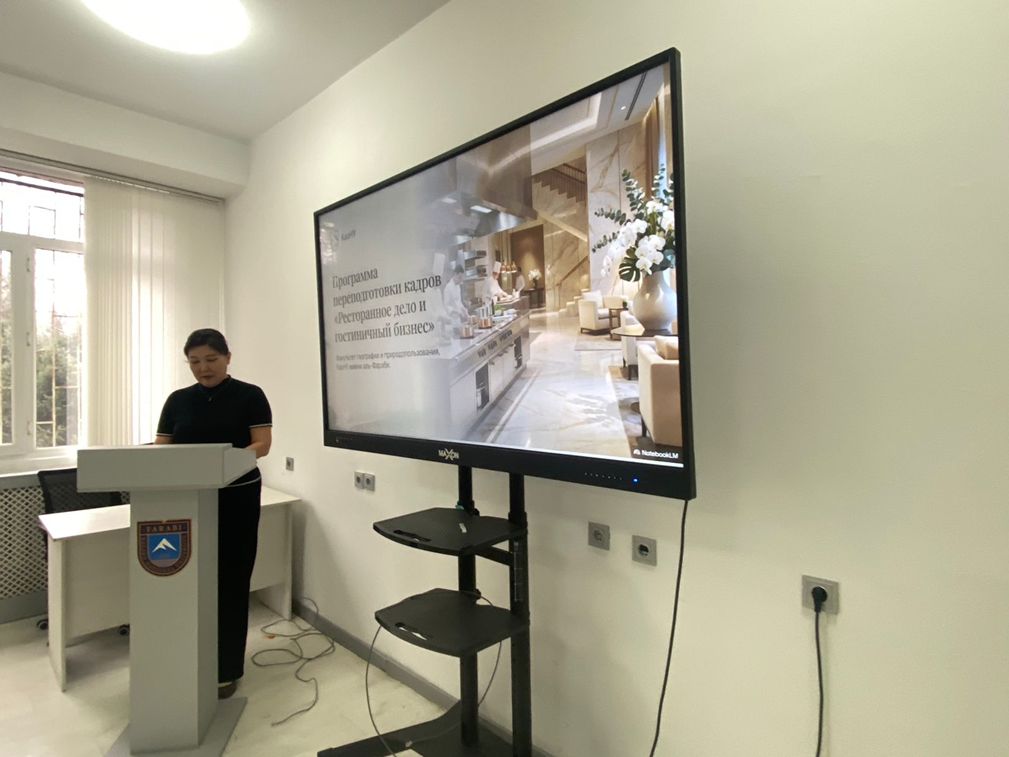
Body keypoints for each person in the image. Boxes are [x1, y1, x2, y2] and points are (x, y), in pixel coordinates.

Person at [154, 329, 272, 700]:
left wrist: (220, 464)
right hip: (186, 501)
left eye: (211, 359)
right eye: (194, 361)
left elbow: (262, 444)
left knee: (231, 582)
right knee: (187, 580)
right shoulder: (177, 400)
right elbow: (161, 448)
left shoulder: (250, 395)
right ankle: (188, 656)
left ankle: (225, 669)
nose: (203, 368)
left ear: (227, 357)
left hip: (236, 498)